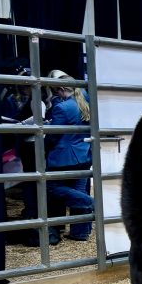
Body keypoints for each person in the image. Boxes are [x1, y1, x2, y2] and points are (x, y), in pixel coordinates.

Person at [41, 70, 94, 244]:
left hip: (64, 157)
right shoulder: (85, 101)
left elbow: (54, 135)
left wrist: (44, 143)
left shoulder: (62, 108)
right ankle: (80, 232)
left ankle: (93, 202)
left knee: (51, 187)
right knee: (77, 190)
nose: (57, 95)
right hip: (84, 154)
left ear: (63, 89)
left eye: (57, 91)